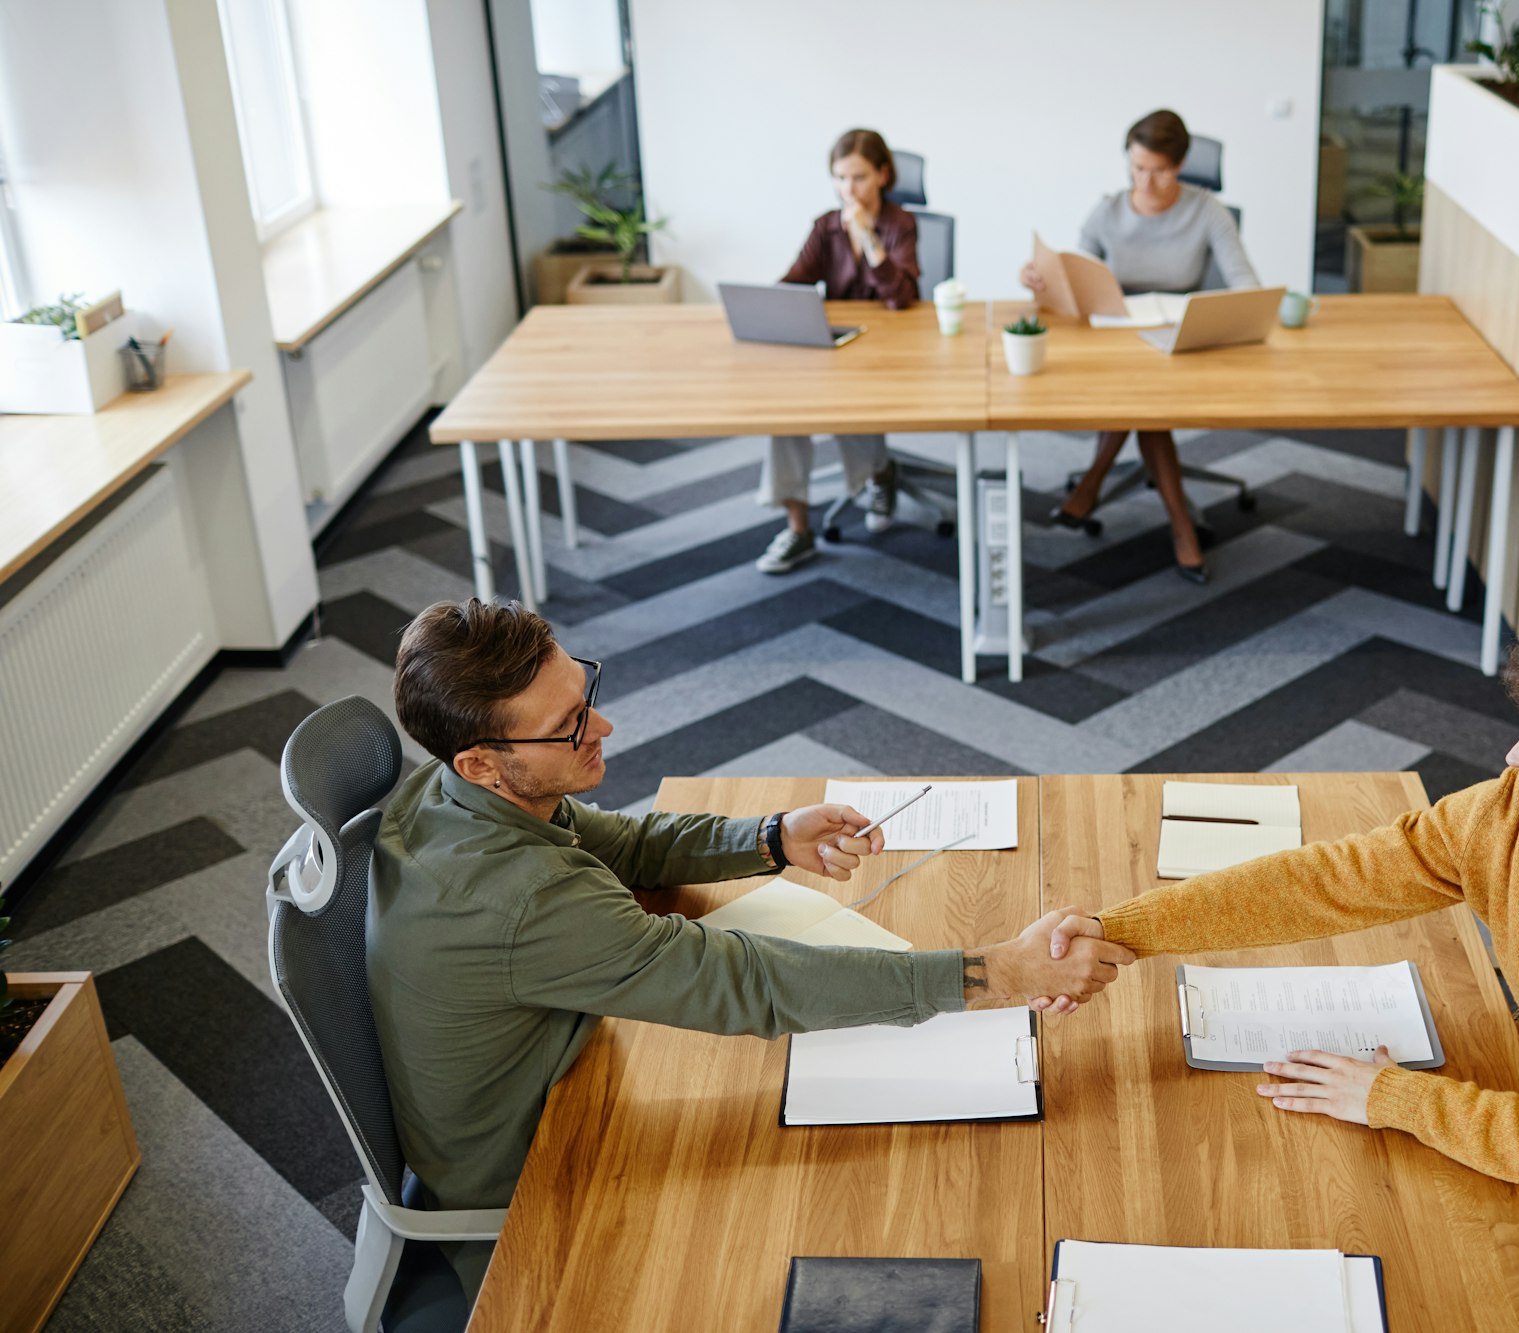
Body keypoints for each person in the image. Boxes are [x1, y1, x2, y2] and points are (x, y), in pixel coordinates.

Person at [370, 598, 1132, 1299]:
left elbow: (623, 845)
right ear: (479, 759)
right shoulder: (521, 899)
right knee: (866, 1216)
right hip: (538, 1193)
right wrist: (997, 969)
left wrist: (771, 836)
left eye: (586, 697)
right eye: (570, 724)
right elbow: (745, 982)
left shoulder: (451, 790)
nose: (603, 729)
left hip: (567, 1078)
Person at [1037, 605, 1519, 1297]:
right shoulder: (1514, 816)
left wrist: (1391, 1098)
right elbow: (1329, 880)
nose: (1514, 756)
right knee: (1291, 1199)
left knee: (1381, 1283)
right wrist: (1121, 932)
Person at [1020, 109, 1257, 584]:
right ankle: (1181, 527)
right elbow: (1072, 278)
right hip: (1115, 336)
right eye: (1138, 168)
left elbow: (1245, 285)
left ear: (1183, 163)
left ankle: (1092, 487)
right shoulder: (1107, 211)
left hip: (1178, 337)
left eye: (1160, 170)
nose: (1146, 182)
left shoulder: (1206, 209)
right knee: (1145, 408)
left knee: (1143, 403)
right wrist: (1040, 281)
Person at [756, 128, 921, 574]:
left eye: (860, 178)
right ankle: (797, 527)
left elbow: (901, 297)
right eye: (841, 178)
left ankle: (879, 472)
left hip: (890, 347)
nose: (850, 189)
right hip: (838, 342)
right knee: (784, 414)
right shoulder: (826, 226)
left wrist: (869, 239)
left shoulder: (900, 224)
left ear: (883, 175)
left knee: (854, 401)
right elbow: (793, 282)